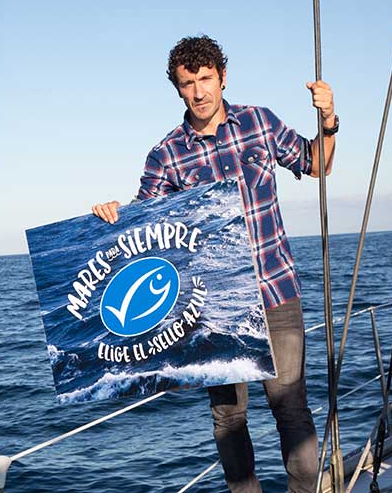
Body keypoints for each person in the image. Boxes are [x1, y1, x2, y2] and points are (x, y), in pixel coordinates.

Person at [91, 35, 337, 493]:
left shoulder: (259, 122)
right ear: (178, 89)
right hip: (216, 309)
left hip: (277, 293)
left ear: (222, 78)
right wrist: (112, 216)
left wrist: (327, 121)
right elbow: (141, 229)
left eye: (206, 79)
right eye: (188, 83)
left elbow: (317, 163)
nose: (199, 91)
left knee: (291, 408)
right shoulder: (166, 154)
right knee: (228, 419)